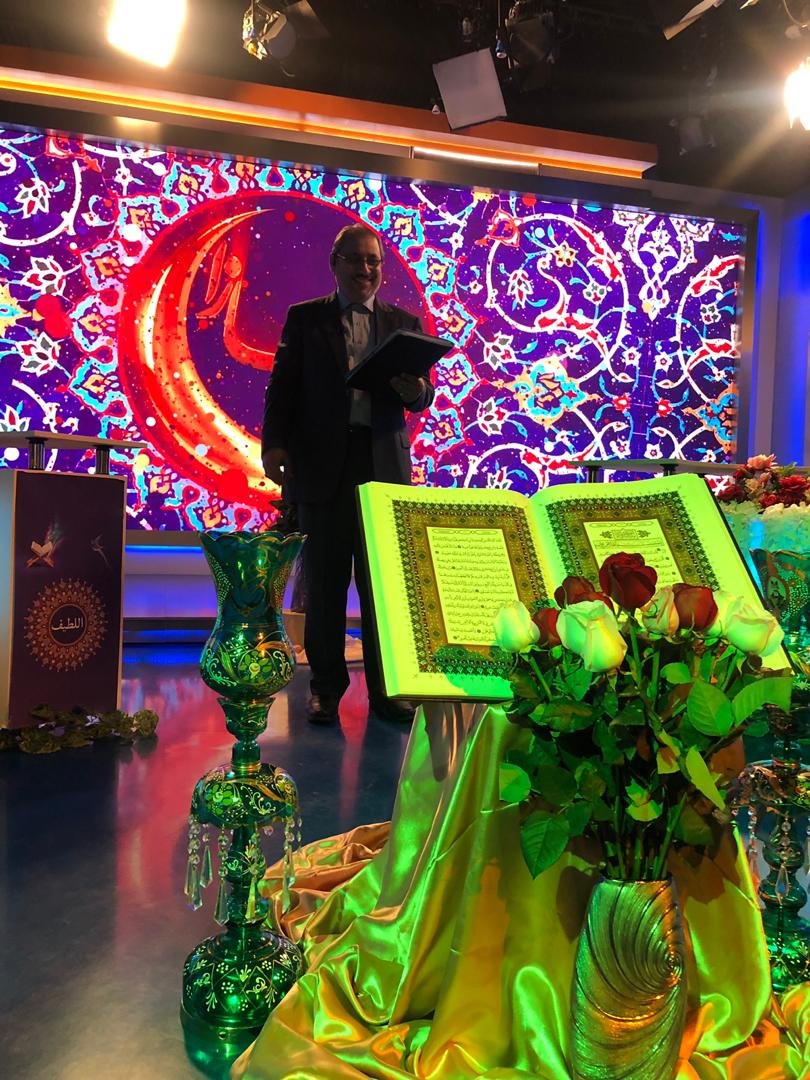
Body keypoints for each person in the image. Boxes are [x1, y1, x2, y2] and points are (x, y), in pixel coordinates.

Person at [262, 223, 435, 725]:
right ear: (334, 263)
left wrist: (415, 392)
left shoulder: (404, 323)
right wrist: (274, 445)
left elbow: (423, 395)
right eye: (356, 259)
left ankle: (388, 692)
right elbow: (282, 388)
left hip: (382, 471)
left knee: (383, 588)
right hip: (322, 469)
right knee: (325, 583)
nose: (365, 269)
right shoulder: (305, 319)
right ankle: (324, 690)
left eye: (373, 261)